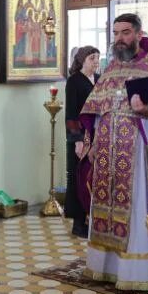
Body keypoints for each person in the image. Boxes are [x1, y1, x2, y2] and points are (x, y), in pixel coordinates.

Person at [78, 14, 148, 291]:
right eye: (115, 33)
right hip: (107, 150)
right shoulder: (111, 67)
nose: (119, 39)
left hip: (136, 150)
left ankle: (138, 271)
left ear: (138, 34)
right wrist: (89, 142)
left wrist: (145, 110)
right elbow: (94, 108)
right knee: (105, 205)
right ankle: (106, 267)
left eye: (125, 33)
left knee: (137, 205)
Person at [64, 46, 98, 238]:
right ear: (82, 60)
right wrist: (77, 140)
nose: (96, 62)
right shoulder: (74, 81)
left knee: (94, 177)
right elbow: (71, 113)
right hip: (80, 138)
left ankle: (93, 218)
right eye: (92, 58)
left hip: (96, 136)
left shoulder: (100, 79)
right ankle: (78, 222)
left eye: (97, 58)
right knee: (78, 177)